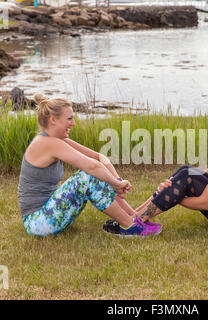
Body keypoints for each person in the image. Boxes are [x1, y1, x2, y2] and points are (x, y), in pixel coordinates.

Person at [17, 93, 161, 237]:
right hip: (37, 223)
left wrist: (116, 181)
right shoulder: (47, 143)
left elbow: (99, 158)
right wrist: (114, 183)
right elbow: (92, 167)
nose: (73, 123)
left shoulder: (57, 140)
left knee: (99, 175)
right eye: (69, 119)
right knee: (89, 177)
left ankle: (135, 218)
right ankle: (130, 226)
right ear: (53, 120)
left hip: (50, 214)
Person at [103, 109, 208, 233]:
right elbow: (203, 180)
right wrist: (171, 190)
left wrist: (175, 196)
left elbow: (207, 202)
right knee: (185, 171)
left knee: (185, 176)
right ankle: (132, 218)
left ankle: (132, 224)